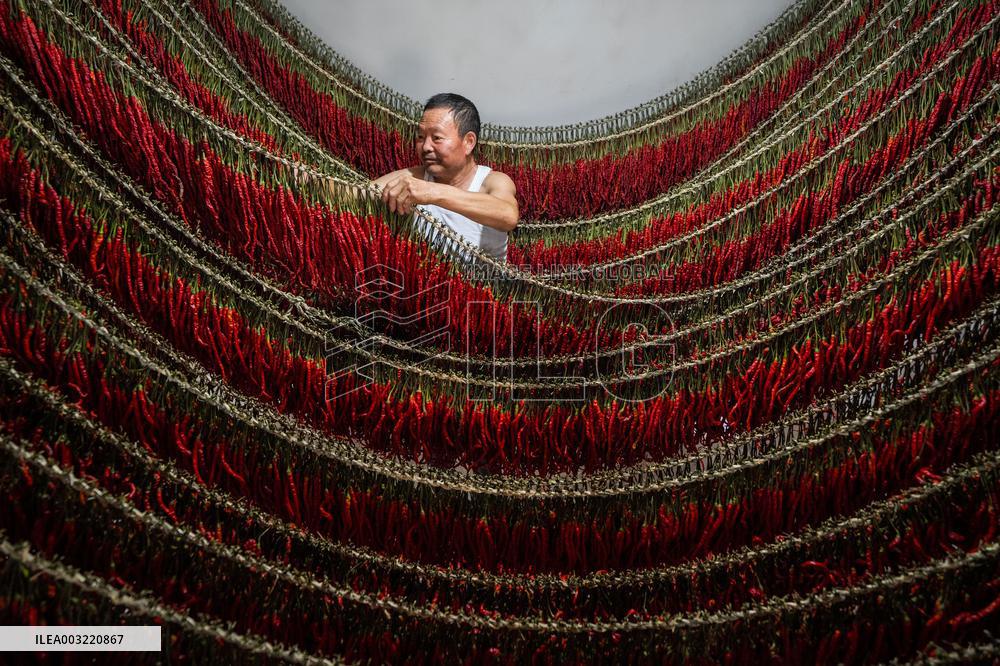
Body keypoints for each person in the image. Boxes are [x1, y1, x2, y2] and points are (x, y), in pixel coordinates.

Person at [374, 93, 519, 266]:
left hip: (483, 290)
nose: (426, 147)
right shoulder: (412, 178)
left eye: (437, 138)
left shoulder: (492, 181)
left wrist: (433, 192)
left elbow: (508, 215)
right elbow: (353, 191)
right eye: (420, 137)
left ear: (468, 142)